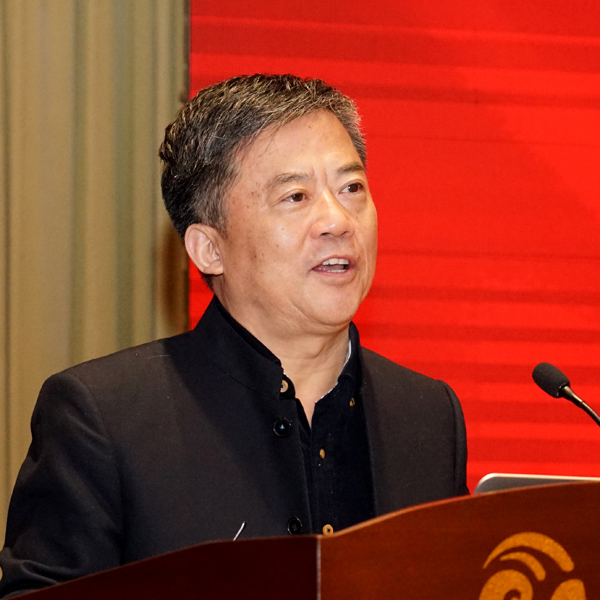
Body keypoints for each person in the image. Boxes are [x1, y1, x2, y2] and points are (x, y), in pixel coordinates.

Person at [0, 74, 468, 597]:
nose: (338, 221)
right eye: (295, 196)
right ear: (209, 249)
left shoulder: (428, 415)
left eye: (351, 188)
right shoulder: (105, 419)